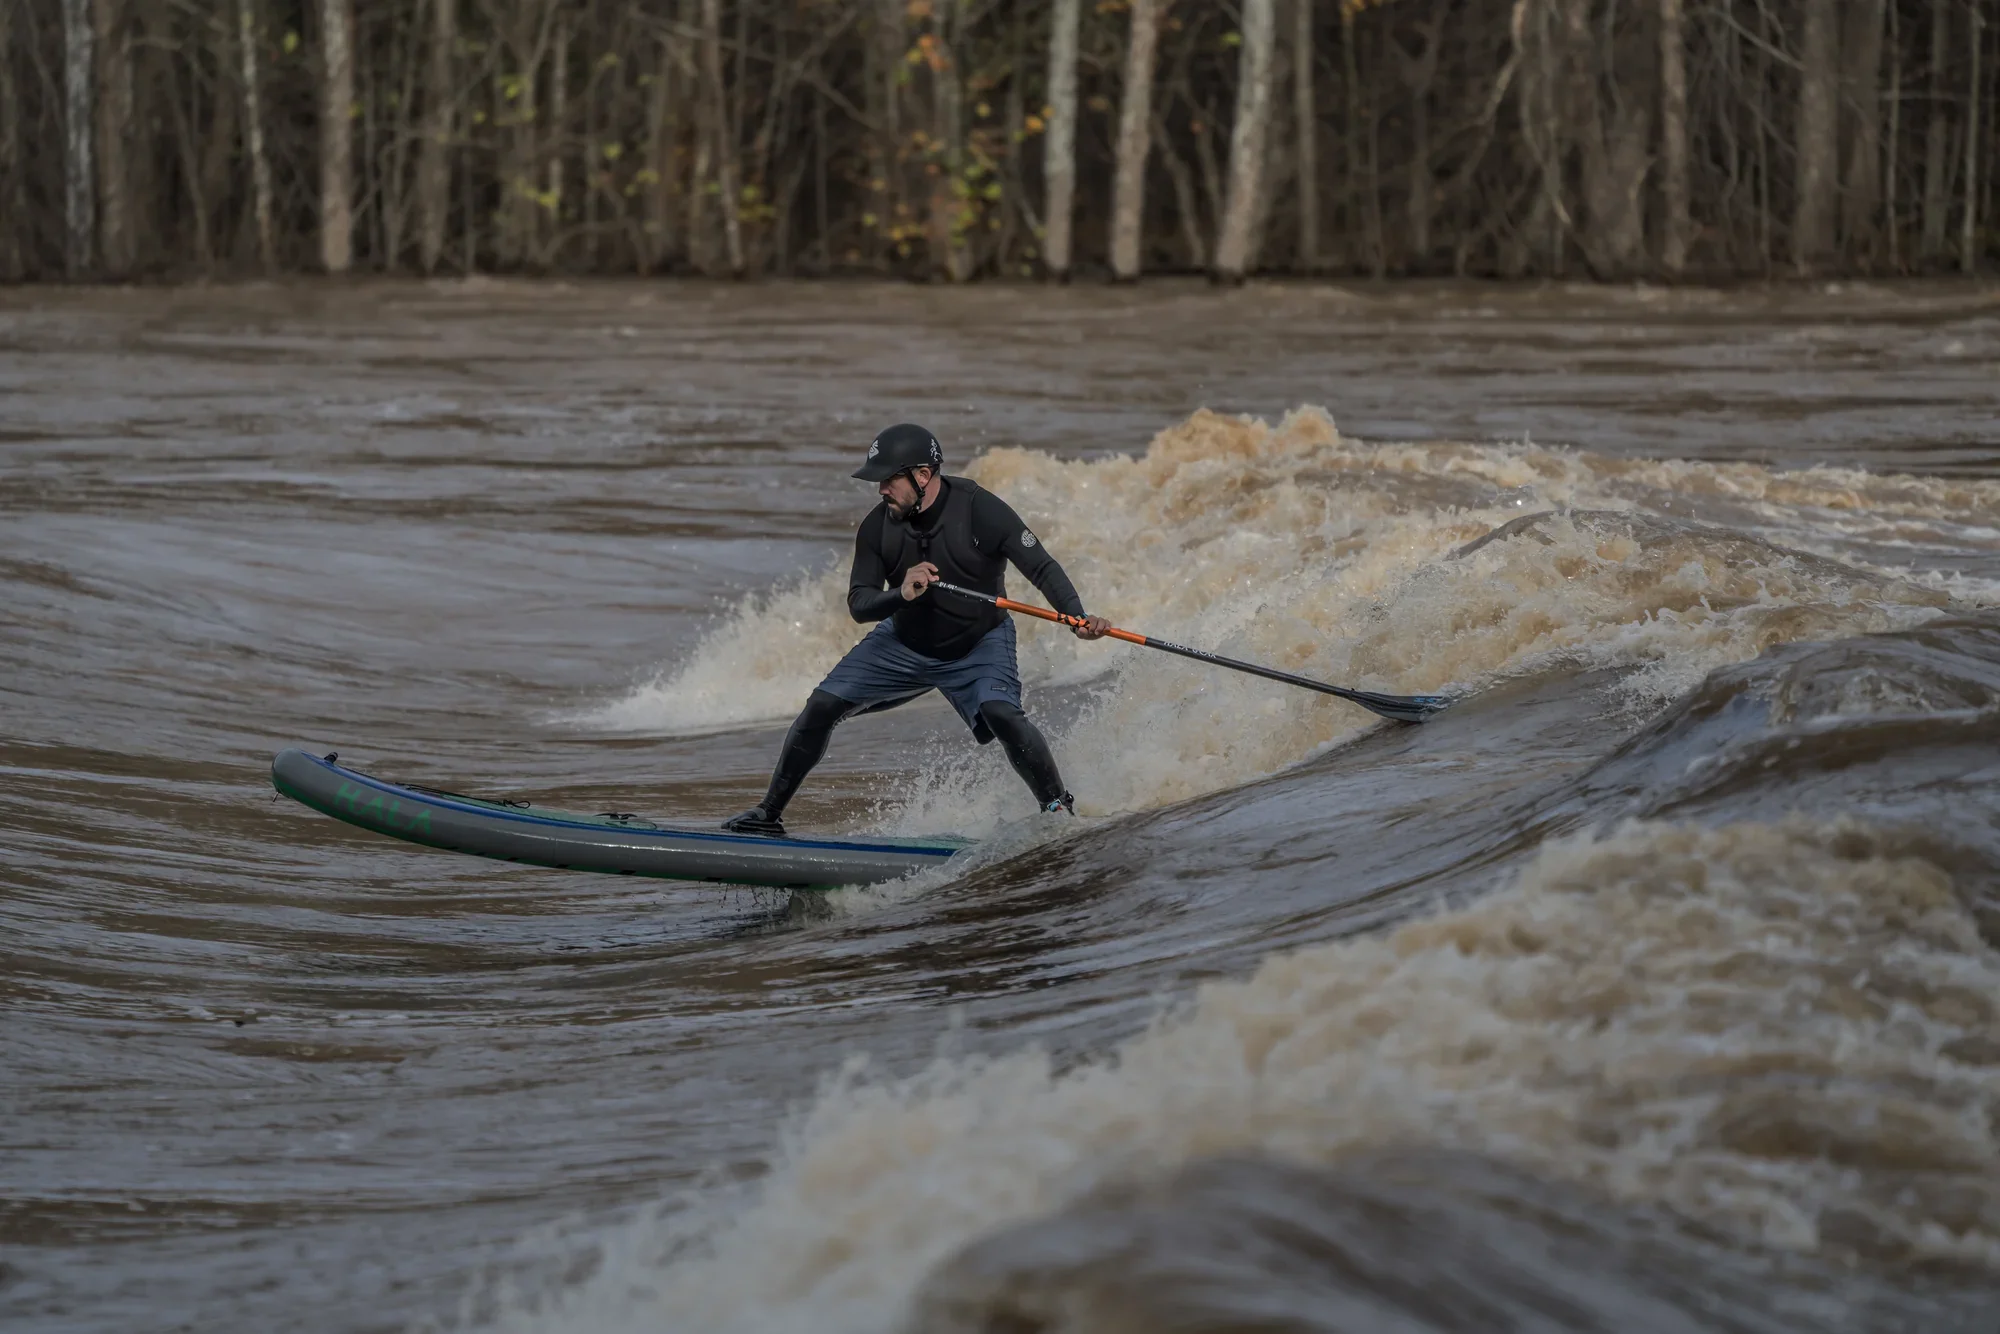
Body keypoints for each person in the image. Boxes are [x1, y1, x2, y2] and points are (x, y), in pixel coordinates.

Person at [723, 424, 1108, 837]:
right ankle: (768, 814)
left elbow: (1042, 567)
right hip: (902, 645)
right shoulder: (877, 527)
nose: (881, 490)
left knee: (1002, 714)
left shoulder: (980, 509)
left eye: (889, 479)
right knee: (820, 707)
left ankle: (1057, 811)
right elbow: (859, 603)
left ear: (923, 475)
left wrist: (1076, 618)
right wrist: (901, 594)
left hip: (979, 644)